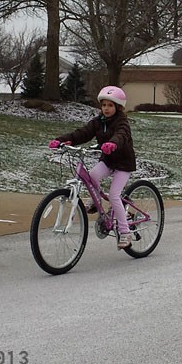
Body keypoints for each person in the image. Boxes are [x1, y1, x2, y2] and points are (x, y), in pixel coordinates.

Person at [49, 86, 136, 249]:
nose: (106, 109)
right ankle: (96, 202)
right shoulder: (98, 122)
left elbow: (121, 135)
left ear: (117, 107)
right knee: (92, 176)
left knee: (114, 195)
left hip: (124, 163)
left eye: (110, 105)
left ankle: (125, 233)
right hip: (109, 160)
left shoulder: (122, 122)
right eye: (104, 105)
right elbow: (82, 133)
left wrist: (113, 143)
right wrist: (63, 140)